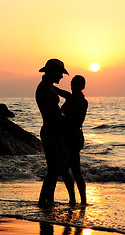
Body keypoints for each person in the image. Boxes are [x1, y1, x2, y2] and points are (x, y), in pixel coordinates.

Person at [36, 59, 76, 207]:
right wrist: (71, 125)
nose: (62, 77)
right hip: (51, 131)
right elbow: (54, 115)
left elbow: (62, 96)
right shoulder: (45, 89)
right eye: (60, 73)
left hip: (52, 130)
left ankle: (49, 200)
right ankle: (43, 201)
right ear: (53, 73)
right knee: (55, 169)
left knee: (57, 167)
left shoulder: (48, 86)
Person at [54, 75, 88, 205]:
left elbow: (78, 122)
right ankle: (73, 199)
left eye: (76, 84)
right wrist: (49, 84)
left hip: (74, 137)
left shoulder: (82, 102)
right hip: (68, 137)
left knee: (74, 170)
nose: (73, 86)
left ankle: (82, 200)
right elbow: (60, 91)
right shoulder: (70, 97)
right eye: (72, 83)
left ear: (81, 86)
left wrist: (61, 119)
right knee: (67, 169)